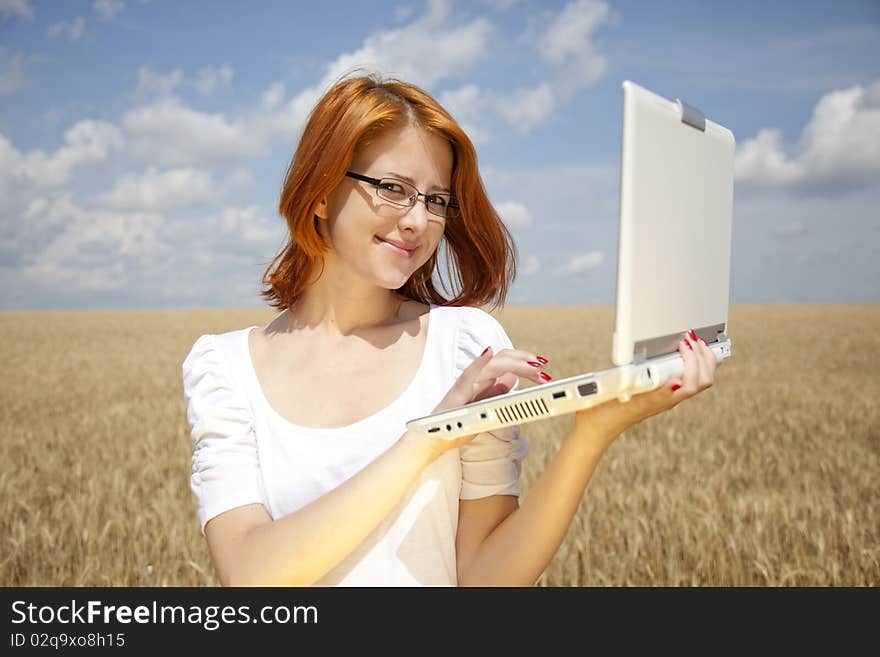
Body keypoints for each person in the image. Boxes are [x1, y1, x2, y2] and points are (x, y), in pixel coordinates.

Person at [181, 70, 718, 587]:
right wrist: (428, 438)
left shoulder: (465, 349)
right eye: (393, 188)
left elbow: (483, 582)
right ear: (320, 191)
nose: (418, 221)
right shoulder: (226, 370)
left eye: (435, 200)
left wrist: (591, 435)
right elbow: (250, 574)